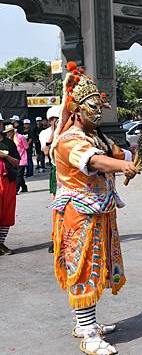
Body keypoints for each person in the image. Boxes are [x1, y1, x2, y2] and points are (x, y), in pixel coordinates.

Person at [51, 63, 137, 355]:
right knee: (84, 267)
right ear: (76, 109)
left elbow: (117, 153)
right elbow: (95, 161)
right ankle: (88, 333)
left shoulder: (97, 136)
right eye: (92, 109)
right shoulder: (68, 140)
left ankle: (85, 323)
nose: (98, 113)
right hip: (79, 213)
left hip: (99, 210)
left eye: (101, 108)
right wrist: (123, 165)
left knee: (97, 265)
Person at [39, 105, 61, 253]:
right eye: (53, 120)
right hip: (57, 170)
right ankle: (56, 238)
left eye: (58, 119)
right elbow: (46, 151)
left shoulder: (70, 131)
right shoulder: (44, 134)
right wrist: (53, 132)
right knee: (57, 207)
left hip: (72, 171)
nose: (56, 121)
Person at [0, 116, 21, 256]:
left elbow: (17, 163)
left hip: (8, 181)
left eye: (0, 122)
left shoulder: (8, 142)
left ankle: (1, 243)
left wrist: (5, 156)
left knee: (7, 213)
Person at [5, 125, 28, 194]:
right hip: (13, 160)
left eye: (9, 132)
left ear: (12, 131)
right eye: (7, 132)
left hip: (22, 158)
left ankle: (16, 190)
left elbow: (26, 146)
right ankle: (24, 187)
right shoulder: (8, 139)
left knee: (18, 175)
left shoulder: (20, 137)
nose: (8, 133)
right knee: (19, 175)